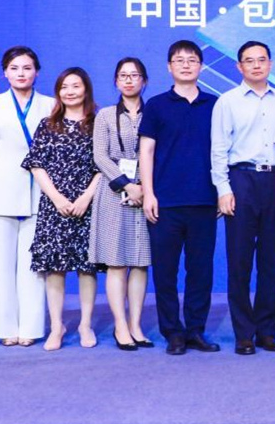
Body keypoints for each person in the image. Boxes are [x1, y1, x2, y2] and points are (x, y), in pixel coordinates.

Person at [139, 40, 220, 355]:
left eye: (192, 60)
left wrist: (221, 192)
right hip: (165, 202)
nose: (186, 65)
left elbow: (223, 151)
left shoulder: (215, 104)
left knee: (200, 271)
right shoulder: (157, 105)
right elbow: (146, 151)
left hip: (204, 200)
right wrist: (149, 193)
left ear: (201, 66)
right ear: (169, 67)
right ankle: (173, 332)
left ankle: (196, 330)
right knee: (166, 272)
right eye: (179, 60)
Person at [211, 41, 275, 355]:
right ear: (239, 66)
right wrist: (223, 189)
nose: (256, 65)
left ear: (270, 64)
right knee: (240, 260)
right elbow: (218, 149)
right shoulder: (227, 102)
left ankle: (267, 332)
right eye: (249, 60)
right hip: (240, 180)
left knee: (272, 261)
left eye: (261, 60)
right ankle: (244, 333)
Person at [0, 46, 55, 347]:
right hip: (0, 192)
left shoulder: (51, 104)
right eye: (14, 68)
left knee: (33, 265)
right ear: (5, 73)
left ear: (37, 72)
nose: (21, 73)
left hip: (39, 193)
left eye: (27, 67)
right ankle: (5, 327)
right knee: (3, 265)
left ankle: (31, 327)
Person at [23, 67, 101, 351]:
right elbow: (36, 164)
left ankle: (85, 324)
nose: (70, 91)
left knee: (86, 268)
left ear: (86, 89)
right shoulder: (48, 124)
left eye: (75, 86)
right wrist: (56, 198)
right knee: (54, 267)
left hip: (87, 205)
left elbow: (105, 165)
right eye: (64, 87)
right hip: (54, 205)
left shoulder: (98, 123)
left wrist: (86, 197)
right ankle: (57, 326)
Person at [89, 58, 153, 350]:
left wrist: (143, 188)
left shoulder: (154, 112)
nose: (129, 80)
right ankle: (120, 326)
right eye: (123, 76)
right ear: (116, 81)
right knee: (117, 262)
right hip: (114, 193)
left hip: (147, 191)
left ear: (144, 81)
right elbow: (100, 156)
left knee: (140, 262)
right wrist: (127, 185)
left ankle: (136, 324)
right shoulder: (104, 115)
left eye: (134, 75)